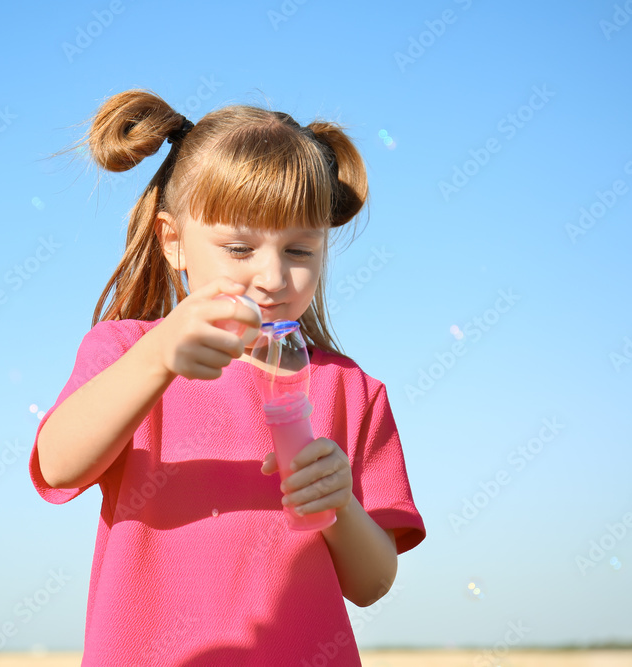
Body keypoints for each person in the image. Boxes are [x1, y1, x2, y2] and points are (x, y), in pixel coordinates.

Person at [28, 89, 426, 666]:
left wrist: (341, 505)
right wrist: (158, 357)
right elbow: (58, 465)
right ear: (173, 242)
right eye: (239, 248)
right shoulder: (128, 351)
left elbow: (371, 584)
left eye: (299, 250)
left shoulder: (352, 391)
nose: (271, 276)